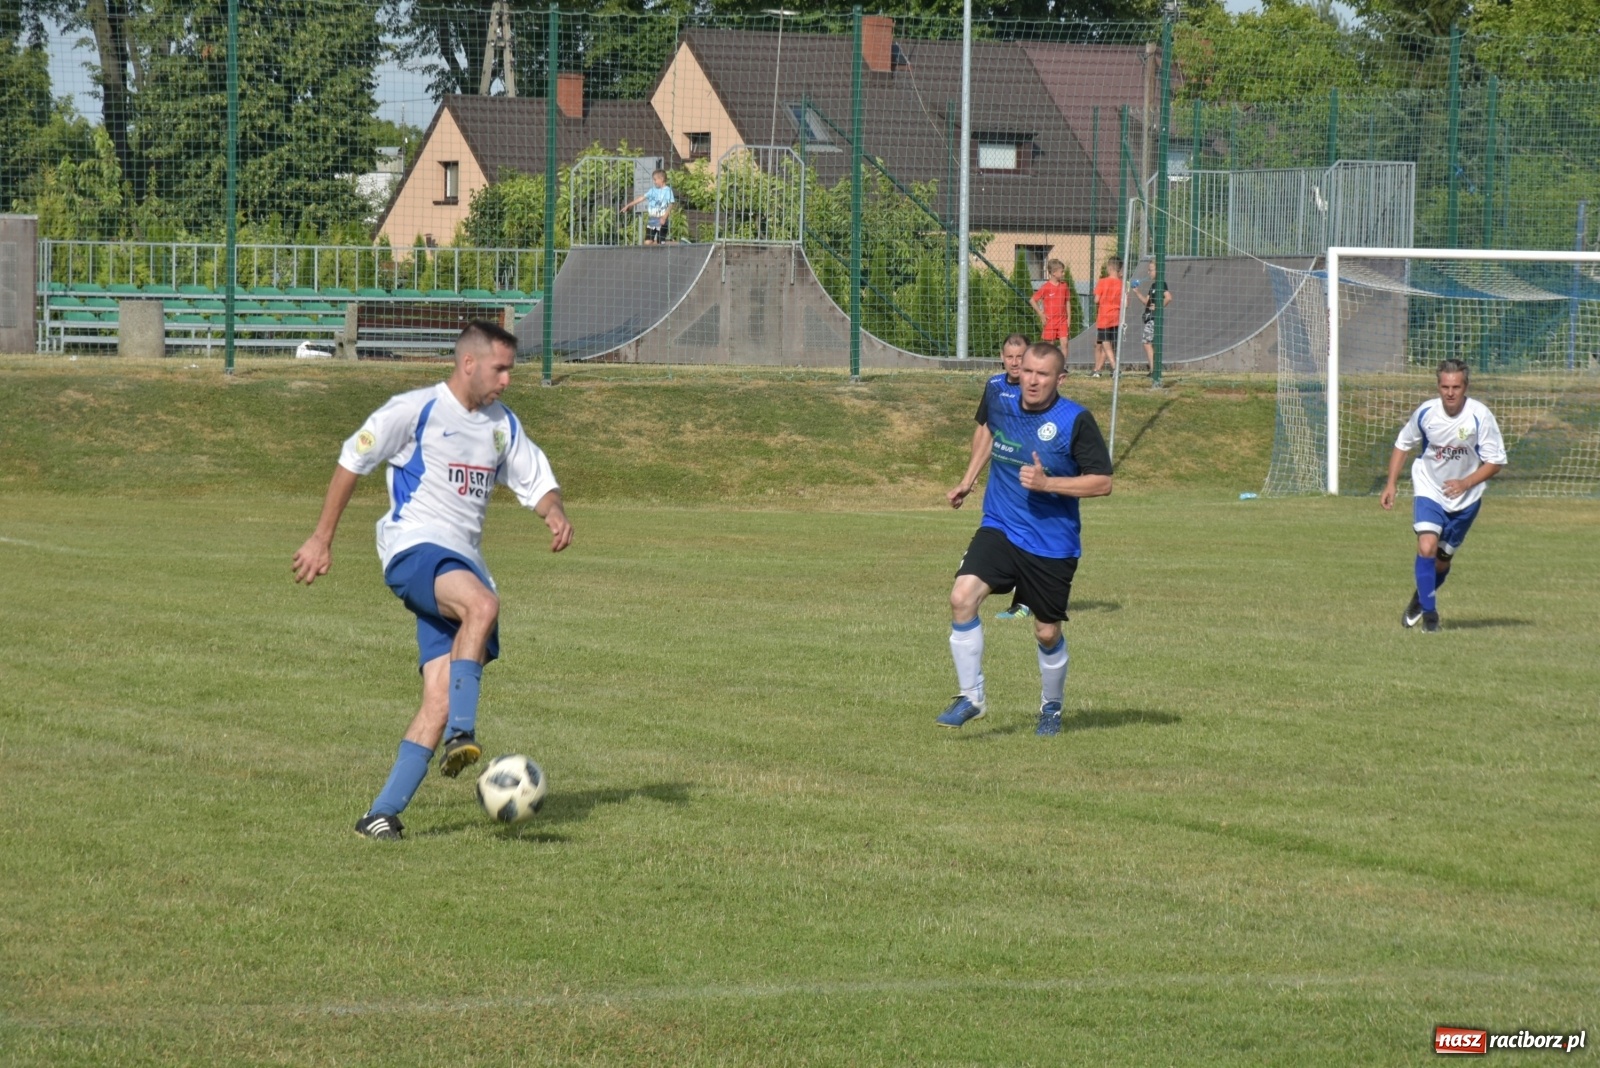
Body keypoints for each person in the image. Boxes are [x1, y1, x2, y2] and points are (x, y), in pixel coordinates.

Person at [292, 322, 574, 840]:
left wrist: (553, 512)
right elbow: (353, 458)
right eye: (501, 368)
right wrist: (321, 538)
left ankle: (379, 814)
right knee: (483, 605)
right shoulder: (415, 410)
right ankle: (464, 735)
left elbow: (538, 482)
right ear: (469, 364)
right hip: (413, 549)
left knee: (438, 700)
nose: (508, 380)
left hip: (459, 565)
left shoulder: (501, 426)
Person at [937, 342, 1114, 737]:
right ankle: (971, 697)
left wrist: (1048, 483)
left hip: (1052, 543)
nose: (1031, 380)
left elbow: (1103, 482)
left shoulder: (1075, 420)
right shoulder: (1001, 399)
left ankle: (1051, 706)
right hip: (1000, 524)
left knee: (1046, 631)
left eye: (1042, 374)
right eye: (1027, 372)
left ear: (1060, 379)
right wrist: (968, 481)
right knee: (961, 597)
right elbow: (986, 432)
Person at [1379, 358, 1505, 633]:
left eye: (1456, 387)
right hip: (1430, 488)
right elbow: (1403, 444)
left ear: (1465, 386)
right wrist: (1391, 484)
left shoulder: (1479, 416)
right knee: (1426, 546)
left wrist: (1466, 482)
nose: (1450, 393)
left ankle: (1420, 598)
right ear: (1438, 386)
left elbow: (1495, 462)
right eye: (1445, 386)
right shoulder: (1426, 413)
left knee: (1441, 560)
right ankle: (1431, 616)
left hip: (1466, 499)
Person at [948, 334, 1033, 620]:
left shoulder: (1035, 388)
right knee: (1002, 532)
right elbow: (985, 431)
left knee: (1029, 534)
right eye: (1010, 356)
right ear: (1002, 356)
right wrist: (968, 481)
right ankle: (995, 577)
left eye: (1020, 356)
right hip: (1003, 480)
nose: (1015, 362)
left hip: (1032, 479)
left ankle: (1025, 601)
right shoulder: (995, 386)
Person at [1130, 259, 1171, 377]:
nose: (1149, 272)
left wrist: (1158, 306)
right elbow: (1146, 302)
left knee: (1147, 342)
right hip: (1149, 318)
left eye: (1150, 270)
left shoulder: (1161, 284)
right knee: (1149, 343)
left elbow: (1168, 297)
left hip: (1154, 318)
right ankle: (1154, 369)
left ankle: (1154, 370)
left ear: (1158, 271)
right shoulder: (1153, 285)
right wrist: (1137, 292)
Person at [621, 169, 676, 245]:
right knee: (647, 242)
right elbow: (641, 198)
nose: (654, 182)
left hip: (662, 220)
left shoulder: (668, 191)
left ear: (662, 179)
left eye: (655, 180)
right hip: (652, 220)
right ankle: (660, 245)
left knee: (661, 243)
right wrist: (629, 205)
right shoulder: (652, 190)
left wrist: (664, 217)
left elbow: (671, 204)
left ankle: (670, 243)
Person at [1092, 258, 1123, 378]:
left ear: (1109, 268)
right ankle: (1097, 370)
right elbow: (1124, 303)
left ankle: (1115, 368)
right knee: (1108, 345)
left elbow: (1096, 300)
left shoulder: (1103, 282)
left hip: (1104, 317)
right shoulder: (1121, 283)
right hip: (1116, 317)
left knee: (1105, 344)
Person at [1031, 259, 1072, 350]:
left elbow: (1067, 302)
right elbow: (1032, 300)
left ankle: (1062, 364)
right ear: (1054, 273)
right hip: (1050, 321)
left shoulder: (1064, 286)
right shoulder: (1046, 288)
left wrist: (1069, 318)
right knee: (1050, 347)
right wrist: (1041, 314)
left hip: (1062, 321)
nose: (1063, 274)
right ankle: (1050, 363)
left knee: (1064, 343)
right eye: (1061, 271)